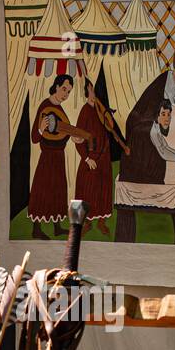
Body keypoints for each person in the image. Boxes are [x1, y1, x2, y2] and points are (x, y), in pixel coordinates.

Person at [28, 75, 90, 240]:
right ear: (56, 86)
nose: (65, 94)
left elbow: (63, 131)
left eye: (68, 92)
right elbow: (35, 137)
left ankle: (56, 227)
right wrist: (41, 129)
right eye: (64, 89)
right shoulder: (45, 107)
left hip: (59, 157)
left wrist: (76, 137)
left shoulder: (60, 110)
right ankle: (36, 229)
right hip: (47, 158)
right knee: (44, 190)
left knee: (57, 190)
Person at [73, 78, 114, 235]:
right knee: (86, 189)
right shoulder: (85, 111)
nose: (93, 94)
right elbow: (78, 139)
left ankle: (101, 222)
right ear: (86, 92)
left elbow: (108, 129)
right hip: (90, 158)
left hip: (103, 158)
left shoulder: (101, 110)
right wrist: (87, 158)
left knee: (103, 190)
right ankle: (84, 224)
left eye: (95, 90)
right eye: (90, 90)